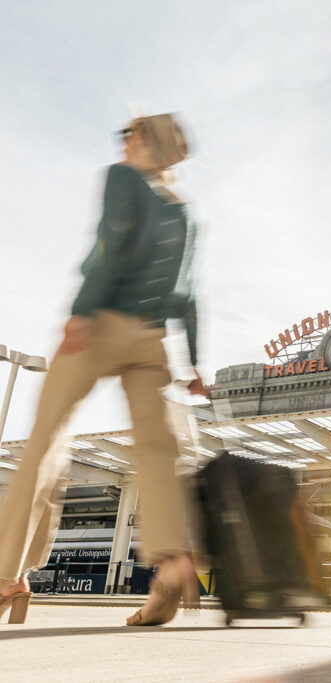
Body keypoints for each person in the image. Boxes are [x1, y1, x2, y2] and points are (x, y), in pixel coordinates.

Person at [0, 113, 207, 626]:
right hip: (153, 338)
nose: (123, 142)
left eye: (129, 134)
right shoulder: (183, 214)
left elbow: (112, 239)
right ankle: (172, 561)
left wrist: (82, 310)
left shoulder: (123, 180)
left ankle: (7, 572)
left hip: (102, 322)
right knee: (159, 448)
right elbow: (188, 297)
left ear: (143, 143)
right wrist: (196, 361)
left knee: (46, 438)